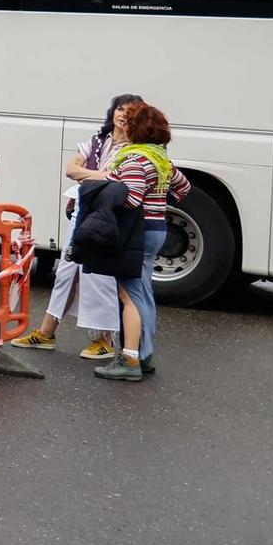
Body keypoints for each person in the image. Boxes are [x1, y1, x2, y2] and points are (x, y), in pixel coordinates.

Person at [12, 94, 137, 357]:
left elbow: (113, 180)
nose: (123, 114)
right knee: (68, 269)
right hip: (84, 212)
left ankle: (105, 339)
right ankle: (46, 332)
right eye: (119, 109)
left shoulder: (135, 148)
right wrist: (101, 177)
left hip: (110, 216)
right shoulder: (97, 141)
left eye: (130, 111)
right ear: (112, 112)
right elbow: (71, 169)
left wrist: (89, 177)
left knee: (100, 274)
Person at [89, 101, 188, 382]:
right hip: (157, 228)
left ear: (136, 129)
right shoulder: (160, 159)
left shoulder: (134, 159)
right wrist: (160, 202)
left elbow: (131, 198)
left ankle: (131, 358)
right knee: (143, 292)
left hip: (136, 231)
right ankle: (145, 354)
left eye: (127, 123)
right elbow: (183, 188)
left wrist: (106, 187)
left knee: (129, 294)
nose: (122, 125)